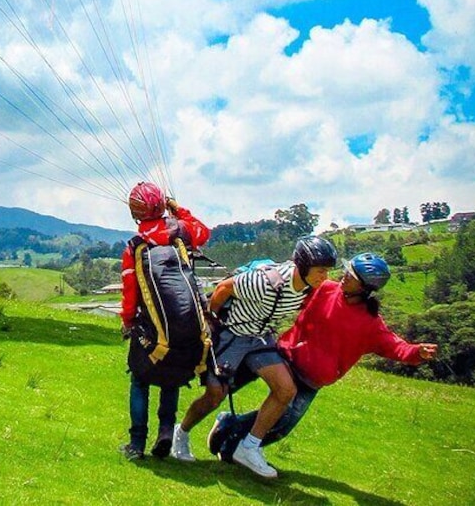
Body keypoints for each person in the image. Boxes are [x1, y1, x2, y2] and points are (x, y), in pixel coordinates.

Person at [207, 253, 439, 464]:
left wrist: (416, 352)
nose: (345, 276)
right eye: (348, 270)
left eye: (352, 275)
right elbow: (291, 291)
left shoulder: (371, 324)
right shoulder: (325, 289)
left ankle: (231, 440)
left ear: (365, 287)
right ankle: (201, 426)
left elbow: (395, 346)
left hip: (312, 380)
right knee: (228, 385)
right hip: (286, 358)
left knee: (281, 425)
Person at [170, 236, 338, 479]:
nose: (325, 276)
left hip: (260, 338)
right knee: (215, 395)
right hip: (233, 334)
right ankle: (181, 433)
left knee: (286, 390)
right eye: (321, 270)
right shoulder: (265, 282)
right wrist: (211, 320)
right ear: (303, 265)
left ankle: (248, 447)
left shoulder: (309, 289)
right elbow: (224, 288)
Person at [119, 182, 210, 460]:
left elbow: (130, 293)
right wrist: (178, 209)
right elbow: (204, 231)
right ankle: (166, 433)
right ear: (161, 205)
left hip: (150, 327)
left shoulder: (135, 247)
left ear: (135, 213)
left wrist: (127, 320)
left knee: (139, 380)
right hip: (185, 329)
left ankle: (136, 444)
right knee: (171, 379)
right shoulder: (181, 233)